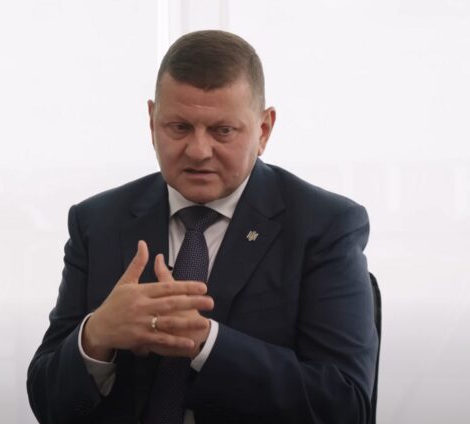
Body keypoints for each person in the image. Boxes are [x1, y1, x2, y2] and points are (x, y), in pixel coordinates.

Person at [27, 30, 378, 424]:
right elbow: (48, 403)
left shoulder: (324, 227)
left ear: (263, 130)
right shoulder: (97, 222)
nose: (198, 151)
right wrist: (96, 336)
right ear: (152, 121)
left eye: (222, 131)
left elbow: (344, 406)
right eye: (179, 127)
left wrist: (205, 343)